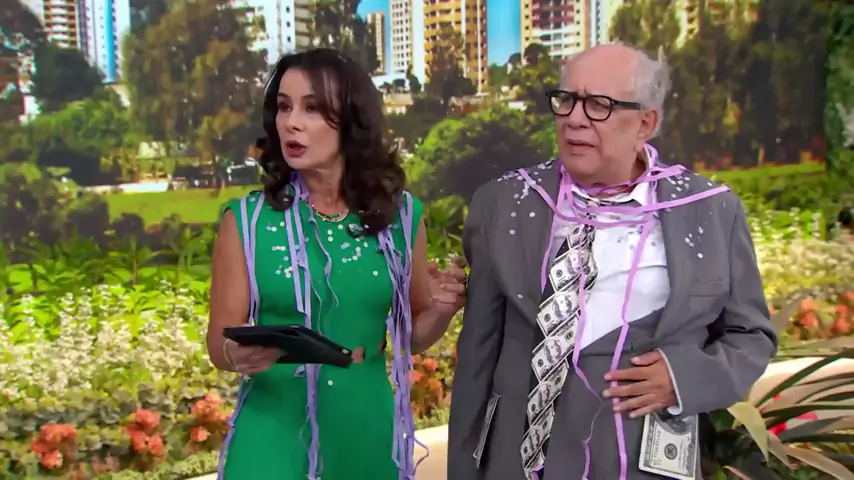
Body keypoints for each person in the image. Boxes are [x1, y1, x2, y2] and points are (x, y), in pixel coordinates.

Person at [447, 43, 777, 480]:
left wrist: (683, 378)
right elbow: (477, 360)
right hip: (520, 466)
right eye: (567, 100)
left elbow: (751, 335)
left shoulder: (710, 210)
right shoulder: (503, 204)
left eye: (599, 105)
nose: (575, 118)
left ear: (645, 123)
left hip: (644, 464)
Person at [206, 48, 467, 480]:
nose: (291, 122)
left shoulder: (401, 217)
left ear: (351, 119)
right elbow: (219, 342)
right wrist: (237, 354)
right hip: (271, 443)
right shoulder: (246, 223)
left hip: (365, 436)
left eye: (311, 108)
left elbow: (413, 336)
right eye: (284, 107)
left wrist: (441, 310)